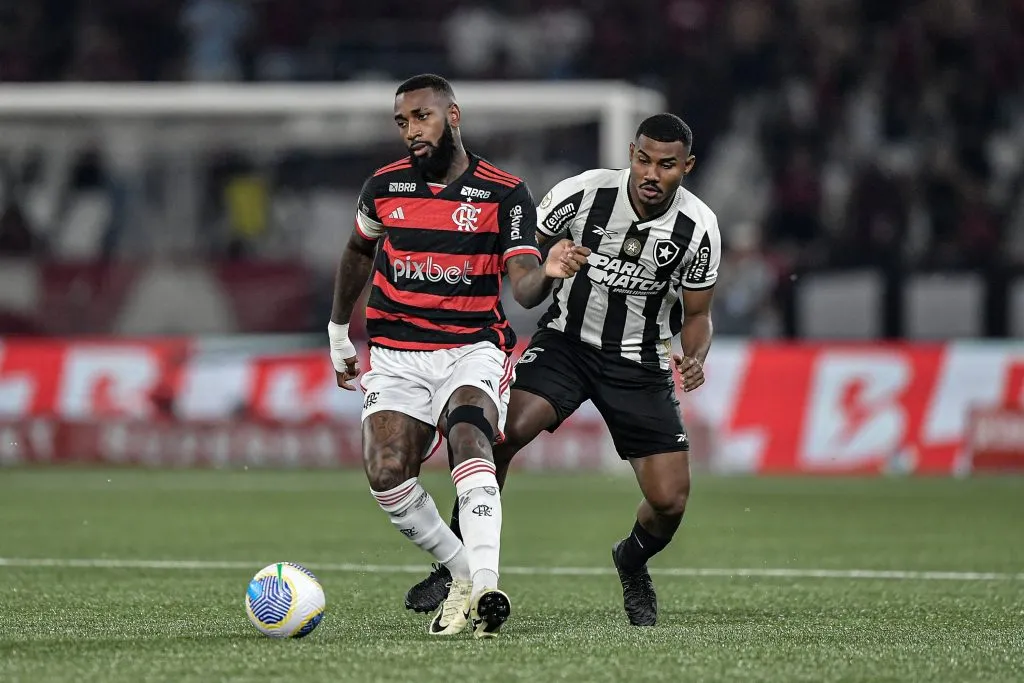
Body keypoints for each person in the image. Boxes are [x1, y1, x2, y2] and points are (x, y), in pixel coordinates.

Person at [405, 113, 721, 627]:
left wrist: (695, 353)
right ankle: (456, 564)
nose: (650, 173)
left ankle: (631, 561)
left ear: (686, 166)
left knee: (670, 501)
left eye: (665, 165)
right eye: (642, 159)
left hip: (639, 364)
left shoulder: (699, 227)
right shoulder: (581, 194)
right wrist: (548, 259)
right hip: (566, 346)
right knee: (497, 436)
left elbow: (700, 313)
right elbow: (523, 259)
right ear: (631, 153)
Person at [327, 73, 589, 638]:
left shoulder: (503, 193)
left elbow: (521, 285)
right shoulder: (384, 187)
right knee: (386, 472)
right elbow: (356, 250)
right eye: (402, 121)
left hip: (471, 348)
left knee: (471, 439)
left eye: (421, 117)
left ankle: (489, 586)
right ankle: (463, 572)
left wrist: (547, 271)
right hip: (396, 354)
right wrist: (336, 332)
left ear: (453, 115)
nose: (411, 131)